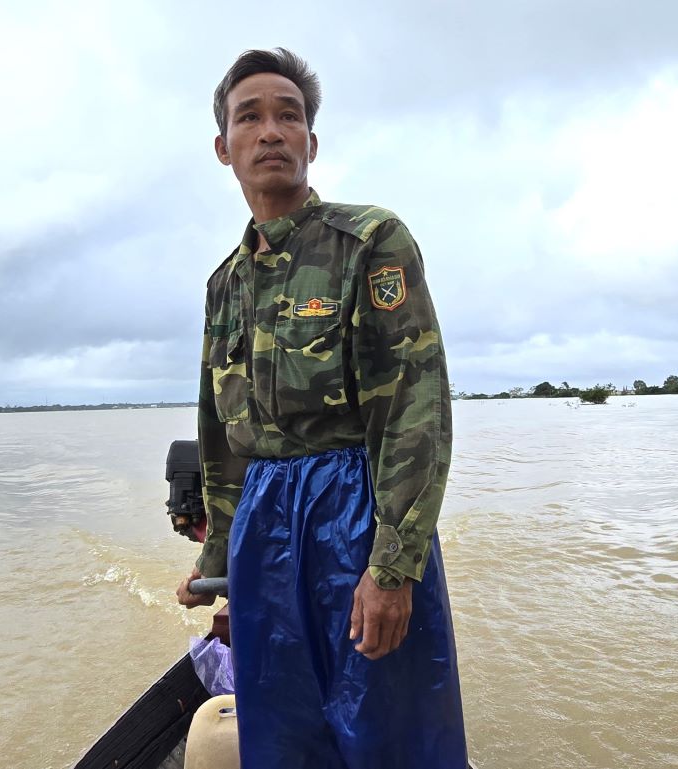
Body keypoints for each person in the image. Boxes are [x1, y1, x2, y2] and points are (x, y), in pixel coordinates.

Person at [175, 48, 467, 768]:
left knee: (388, 729)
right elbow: (222, 438)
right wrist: (221, 570)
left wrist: (391, 568)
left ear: (311, 141)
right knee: (283, 732)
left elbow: (414, 410)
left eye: (289, 116)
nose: (271, 130)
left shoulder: (368, 241)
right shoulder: (225, 284)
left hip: (354, 514)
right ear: (224, 148)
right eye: (251, 117)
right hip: (264, 527)